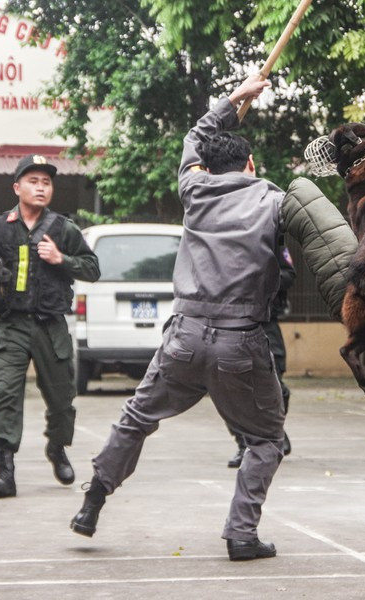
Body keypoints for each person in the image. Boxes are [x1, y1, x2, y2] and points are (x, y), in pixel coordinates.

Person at [70, 75, 287, 562]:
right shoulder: (274, 202)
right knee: (267, 439)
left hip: (184, 337)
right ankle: (242, 535)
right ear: (251, 164)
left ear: (206, 167)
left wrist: (237, 98)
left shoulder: (194, 188)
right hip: (241, 343)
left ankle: (93, 500)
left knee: (137, 417)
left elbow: (194, 137)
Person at [0, 155, 100, 498]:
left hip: (50, 325)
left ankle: (57, 448)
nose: (41, 188)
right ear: (17, 187)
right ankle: (5, 470)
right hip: (11, 324)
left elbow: (92, 269)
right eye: (33, 181)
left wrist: (61, 259)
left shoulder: (62, 229)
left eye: (46, 183)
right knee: (3, 393)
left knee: (61, 398)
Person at [227, 243, 295, 468]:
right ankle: (244, 444)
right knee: (232, 389)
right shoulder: (225, 239)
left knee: (277, 385)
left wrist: (262, 277)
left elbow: (289, 275)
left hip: (265, 321)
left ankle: (274, 431)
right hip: (232, 322)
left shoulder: (272, 239)